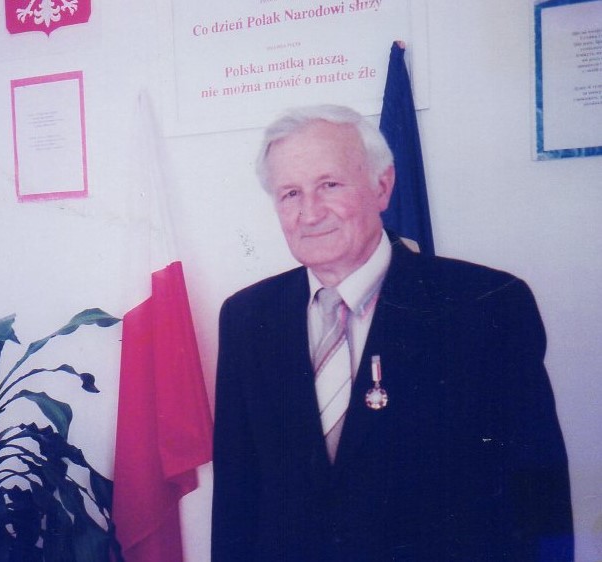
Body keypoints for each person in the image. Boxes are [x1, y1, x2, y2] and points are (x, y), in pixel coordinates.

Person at [211, 105, 573, 561]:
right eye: (291, 193)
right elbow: (237, 502)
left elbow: (538, 496)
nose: (310, 212)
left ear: (382, 187)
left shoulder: (487, 305)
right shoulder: (247, 317)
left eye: (330, 185)